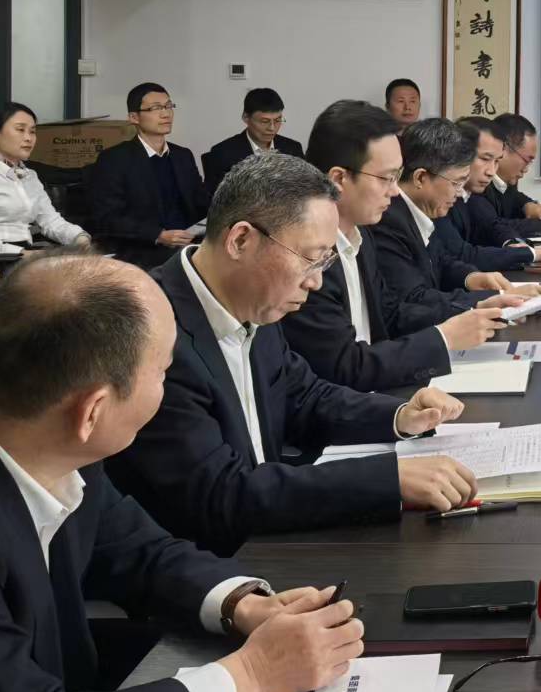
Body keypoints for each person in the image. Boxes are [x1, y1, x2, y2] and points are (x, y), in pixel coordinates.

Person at [0, 250, 366, 692]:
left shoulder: (32, 424)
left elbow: (136, 550)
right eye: (163, 371)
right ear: (92, 411)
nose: (167, 389)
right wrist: (252, 675)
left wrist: (242, 604)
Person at [105, 152, 478, 556]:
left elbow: (304, 396)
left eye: (326, 261)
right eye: (311, 259)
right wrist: (389, 478)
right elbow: (221, 494)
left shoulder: (254, 299)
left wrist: (400, 416)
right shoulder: (154, 334)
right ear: (241, 240)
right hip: (207, 561)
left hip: (270, 535)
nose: (316, 282)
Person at [284, 100, 512, 391]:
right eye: (386, 178)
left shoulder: (361, 236)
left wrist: (473, 306)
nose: (395, 191)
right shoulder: (306, 257)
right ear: (339, 178)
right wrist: (444, 338)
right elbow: (344, 367)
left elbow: (391, 314)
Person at [376, 117, 541, 309]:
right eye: (456, 183)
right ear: (420, 178)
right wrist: (486, 300)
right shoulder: (388, 221)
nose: (459, 192)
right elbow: (413, 299)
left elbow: (441, 261)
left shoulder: (420, 211)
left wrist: (471, 277)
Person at [434, 117, 541, 276]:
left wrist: (516, 244)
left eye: (496, 161)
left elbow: (492, 226)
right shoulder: (441, 199)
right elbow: (464, 255)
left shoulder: (469, 193)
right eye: (485, 159)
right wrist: (535, 253)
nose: (491, 171)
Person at [89, 83, 208, 270]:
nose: (166, 114)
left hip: (188, 245)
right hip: (142, 249)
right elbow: (108, 217)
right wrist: (158, 235)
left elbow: (201, 202)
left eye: (168, 106)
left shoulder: (182, 155)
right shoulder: (114, 159)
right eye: (155, 108)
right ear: (134, 117)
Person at [0, 102, 91, 254]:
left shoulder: (29, 175)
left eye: (32, 132)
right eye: (20, 130)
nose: (28, 138)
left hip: (27, 251)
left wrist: (79, 237)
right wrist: (18, 253)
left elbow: (50, 221)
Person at [201, 88, 305, 196]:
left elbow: (305, 192)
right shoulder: (222, 154)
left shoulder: (293, 149)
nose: (272, 128)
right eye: (264, 121)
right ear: (246, 117)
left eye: (278, 120)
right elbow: (216, 201)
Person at [487, 112, 541, 236]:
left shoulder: (504, 182)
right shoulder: (478, 184)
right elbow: (490, 228)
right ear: (504, 149)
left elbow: (514, 197)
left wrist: (527, 205)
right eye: (527, 160)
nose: (526, 169)